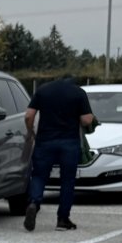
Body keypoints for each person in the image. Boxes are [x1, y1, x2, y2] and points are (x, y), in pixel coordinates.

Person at [24, 75, 96, 231]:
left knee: (38, 175)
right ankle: (62, 219)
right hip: (69, 142)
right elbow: (87, 120)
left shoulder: (42, 90)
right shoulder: (78, 93)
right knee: (67, 180)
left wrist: (31, 132)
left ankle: (34, 203)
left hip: (45, 141)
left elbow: (29, 115)